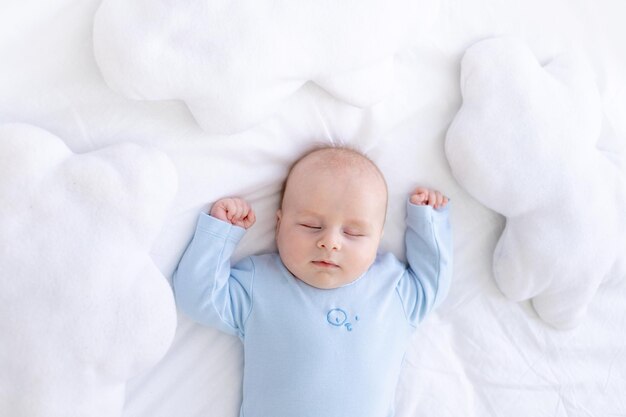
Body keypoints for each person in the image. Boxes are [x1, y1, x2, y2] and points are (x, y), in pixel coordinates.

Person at [173, 145, 452, 417]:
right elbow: (197, 296)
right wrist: (220, 233)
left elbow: (434, 281)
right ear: (279, 224)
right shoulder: (259, 284)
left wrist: (427, 222)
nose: (330, 242)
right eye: (311, 226)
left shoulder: (393, 289)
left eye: (353, 232)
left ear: (378, 237)